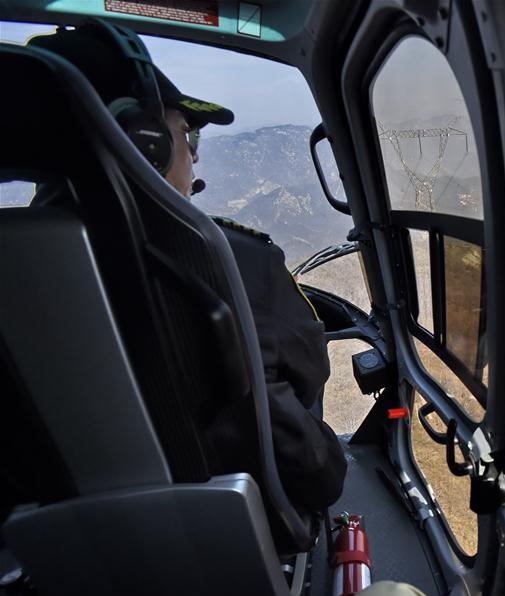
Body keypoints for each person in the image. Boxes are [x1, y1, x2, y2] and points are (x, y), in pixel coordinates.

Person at [26, 21, 346, 527]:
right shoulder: (231, 260)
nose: (194, 151)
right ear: (144, 138)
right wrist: (331, 466)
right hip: (229, 544)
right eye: (185, 131)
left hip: (61, 554)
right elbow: (306, 442)